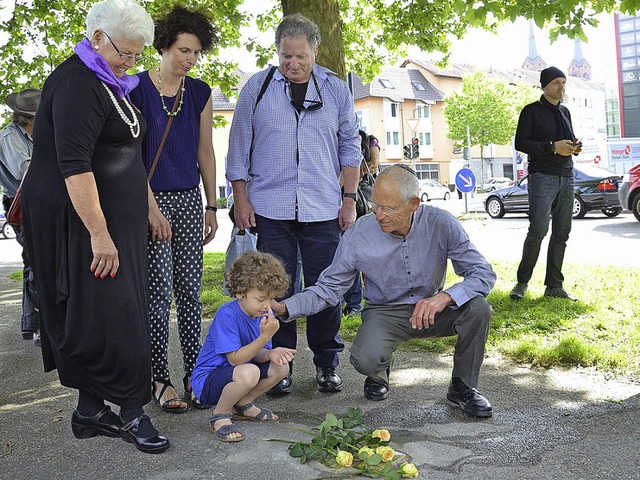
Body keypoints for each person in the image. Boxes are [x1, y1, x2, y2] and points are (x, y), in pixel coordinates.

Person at [20, 0, 169, 454]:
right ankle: (131, 412)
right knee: (113, 315)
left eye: (137, 55)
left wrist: (147, 205)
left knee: (104, 313)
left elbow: (125, 154)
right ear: (98, 37)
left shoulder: (109, 80)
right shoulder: (76, 83)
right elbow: (75, 166)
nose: (131, 63)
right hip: (80, 224)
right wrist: (99, 234)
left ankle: (89, 412)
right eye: (124, 53)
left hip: (115, 221)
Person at [272, 165, 497, 418]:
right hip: (384, 312)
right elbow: (329, 288)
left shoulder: (441, 223)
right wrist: (285, 307)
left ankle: (462, 387)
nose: (378, 215)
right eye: (375, 205)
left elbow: (483, 274)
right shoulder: (360, 233)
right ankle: (379, 370)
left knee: (478, 309)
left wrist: (445, 297)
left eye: (388, 208)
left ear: (413, 204)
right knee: (364, 359)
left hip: (432, 310)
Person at [226, 13, 361, 395]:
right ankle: (279, 364)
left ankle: (326, 363)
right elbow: (238, 147)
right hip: (270, 207)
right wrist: (241, 198)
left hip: (323, 208)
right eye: (286, 56)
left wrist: (348, 199)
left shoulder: (335, 89)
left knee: (325, 288)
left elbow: (350, 145)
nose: (293, 64)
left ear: (315, 50)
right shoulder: (258, 86)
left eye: (301, 56)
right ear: (278, 52)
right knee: (274, 291)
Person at [129, 6, 218, 413]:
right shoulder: (133, 89)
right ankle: (159, 376)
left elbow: (205, 151)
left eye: (196, 52)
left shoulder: (199, 92)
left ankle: (194, 374)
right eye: (183, 49)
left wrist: (212, 205)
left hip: (187, 200)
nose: (189, 59)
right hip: (147, 201)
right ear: (163, 45)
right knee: (159, 292)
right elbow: (128, 157)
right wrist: (150, 208)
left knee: (189, 293)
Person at [190, 251, 295, 442]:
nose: (267, 306)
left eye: (271, 299)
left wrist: (271, 353)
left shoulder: (259, 314)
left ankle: (243, 405)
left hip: (238, 374)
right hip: (208, 381)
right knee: (249, 372)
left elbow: (257, 354)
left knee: (281, 366)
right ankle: (220, 414)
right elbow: (235, 359)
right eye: (260, 299)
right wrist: (265, 336)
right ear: (240, 293)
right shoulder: (227, 314)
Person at [510, 66, 581, 301]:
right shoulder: (530, 111)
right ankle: (522, 282)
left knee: (562, 232)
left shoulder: (566, 112)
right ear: (545, 86)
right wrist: (552, 146)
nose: (562, 87)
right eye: (557, 83)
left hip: (567, 177)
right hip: (542, 177)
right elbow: (521, 143)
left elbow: (566, 141)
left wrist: (573, 146)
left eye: (564, 82)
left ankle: (554, 286)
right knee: (538, 230)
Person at [0, 88, 41, 344]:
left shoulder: (31, 134)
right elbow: (25, 170)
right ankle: (36, 325)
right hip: (21, 204)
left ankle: (32, 324)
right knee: (36, 262)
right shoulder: (9, 137)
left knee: (34, 262)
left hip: (34, 202)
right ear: (27, 118)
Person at [342, 130, 380, 317]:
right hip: (359, 204)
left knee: (346, 256)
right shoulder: (368, 139)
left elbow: (371, 166)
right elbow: (373, 164)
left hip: (350, 204)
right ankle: (355, 302)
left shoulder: (355, 139)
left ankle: (352, 302)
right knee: (354, 255)